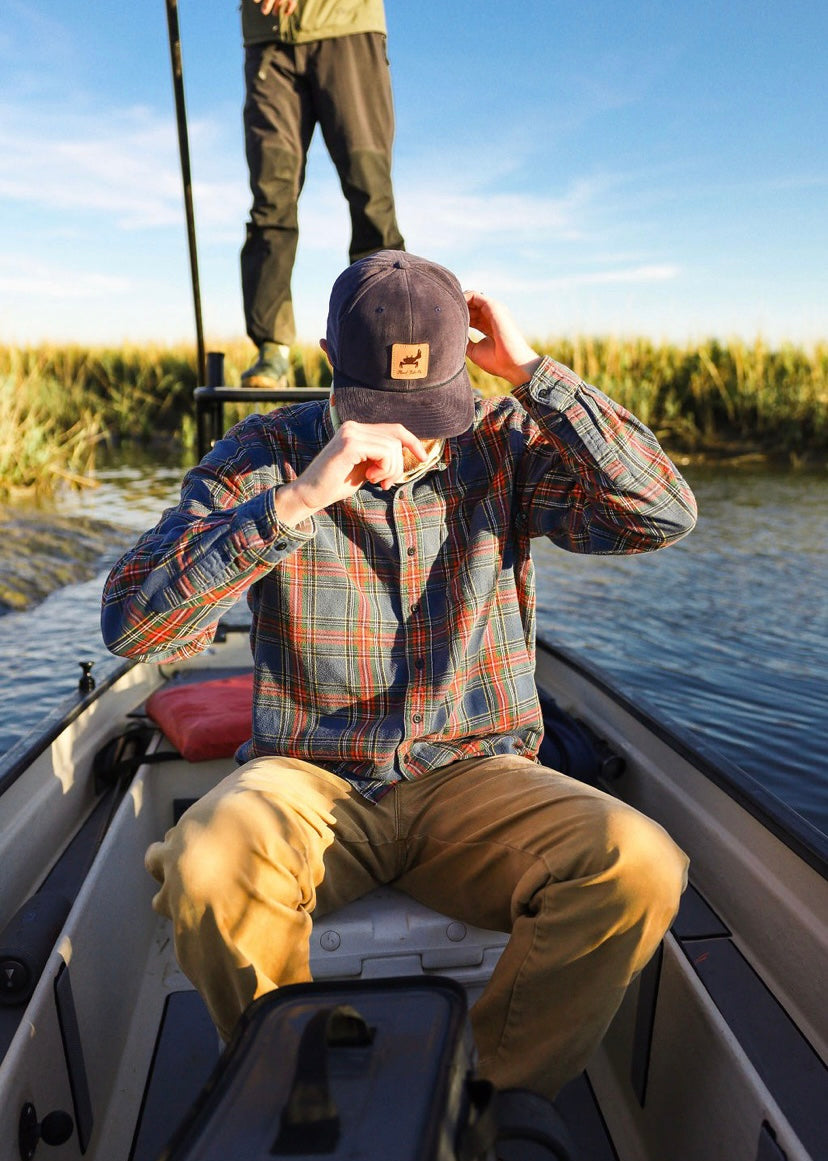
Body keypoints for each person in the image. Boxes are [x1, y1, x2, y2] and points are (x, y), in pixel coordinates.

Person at [101, 250, 697, 1100]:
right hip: (309, 779)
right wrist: (298, 502)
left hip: (474, 774)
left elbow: (662, 512)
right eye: (386, 405)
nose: (414, 436)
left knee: (638, 862)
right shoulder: (265, 453)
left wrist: (533, 375)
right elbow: (132, 622)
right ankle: (296, 1087)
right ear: (326, 362)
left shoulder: (500, 445)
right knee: (204, 863)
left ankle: (478, 1100)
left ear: (467, 366)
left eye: (433, 406)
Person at [239, 0, 405, 388]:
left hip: (346, 26)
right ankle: (272, 349)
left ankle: (385, 345)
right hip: (269, 38)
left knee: (370, 195)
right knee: (271, 198)